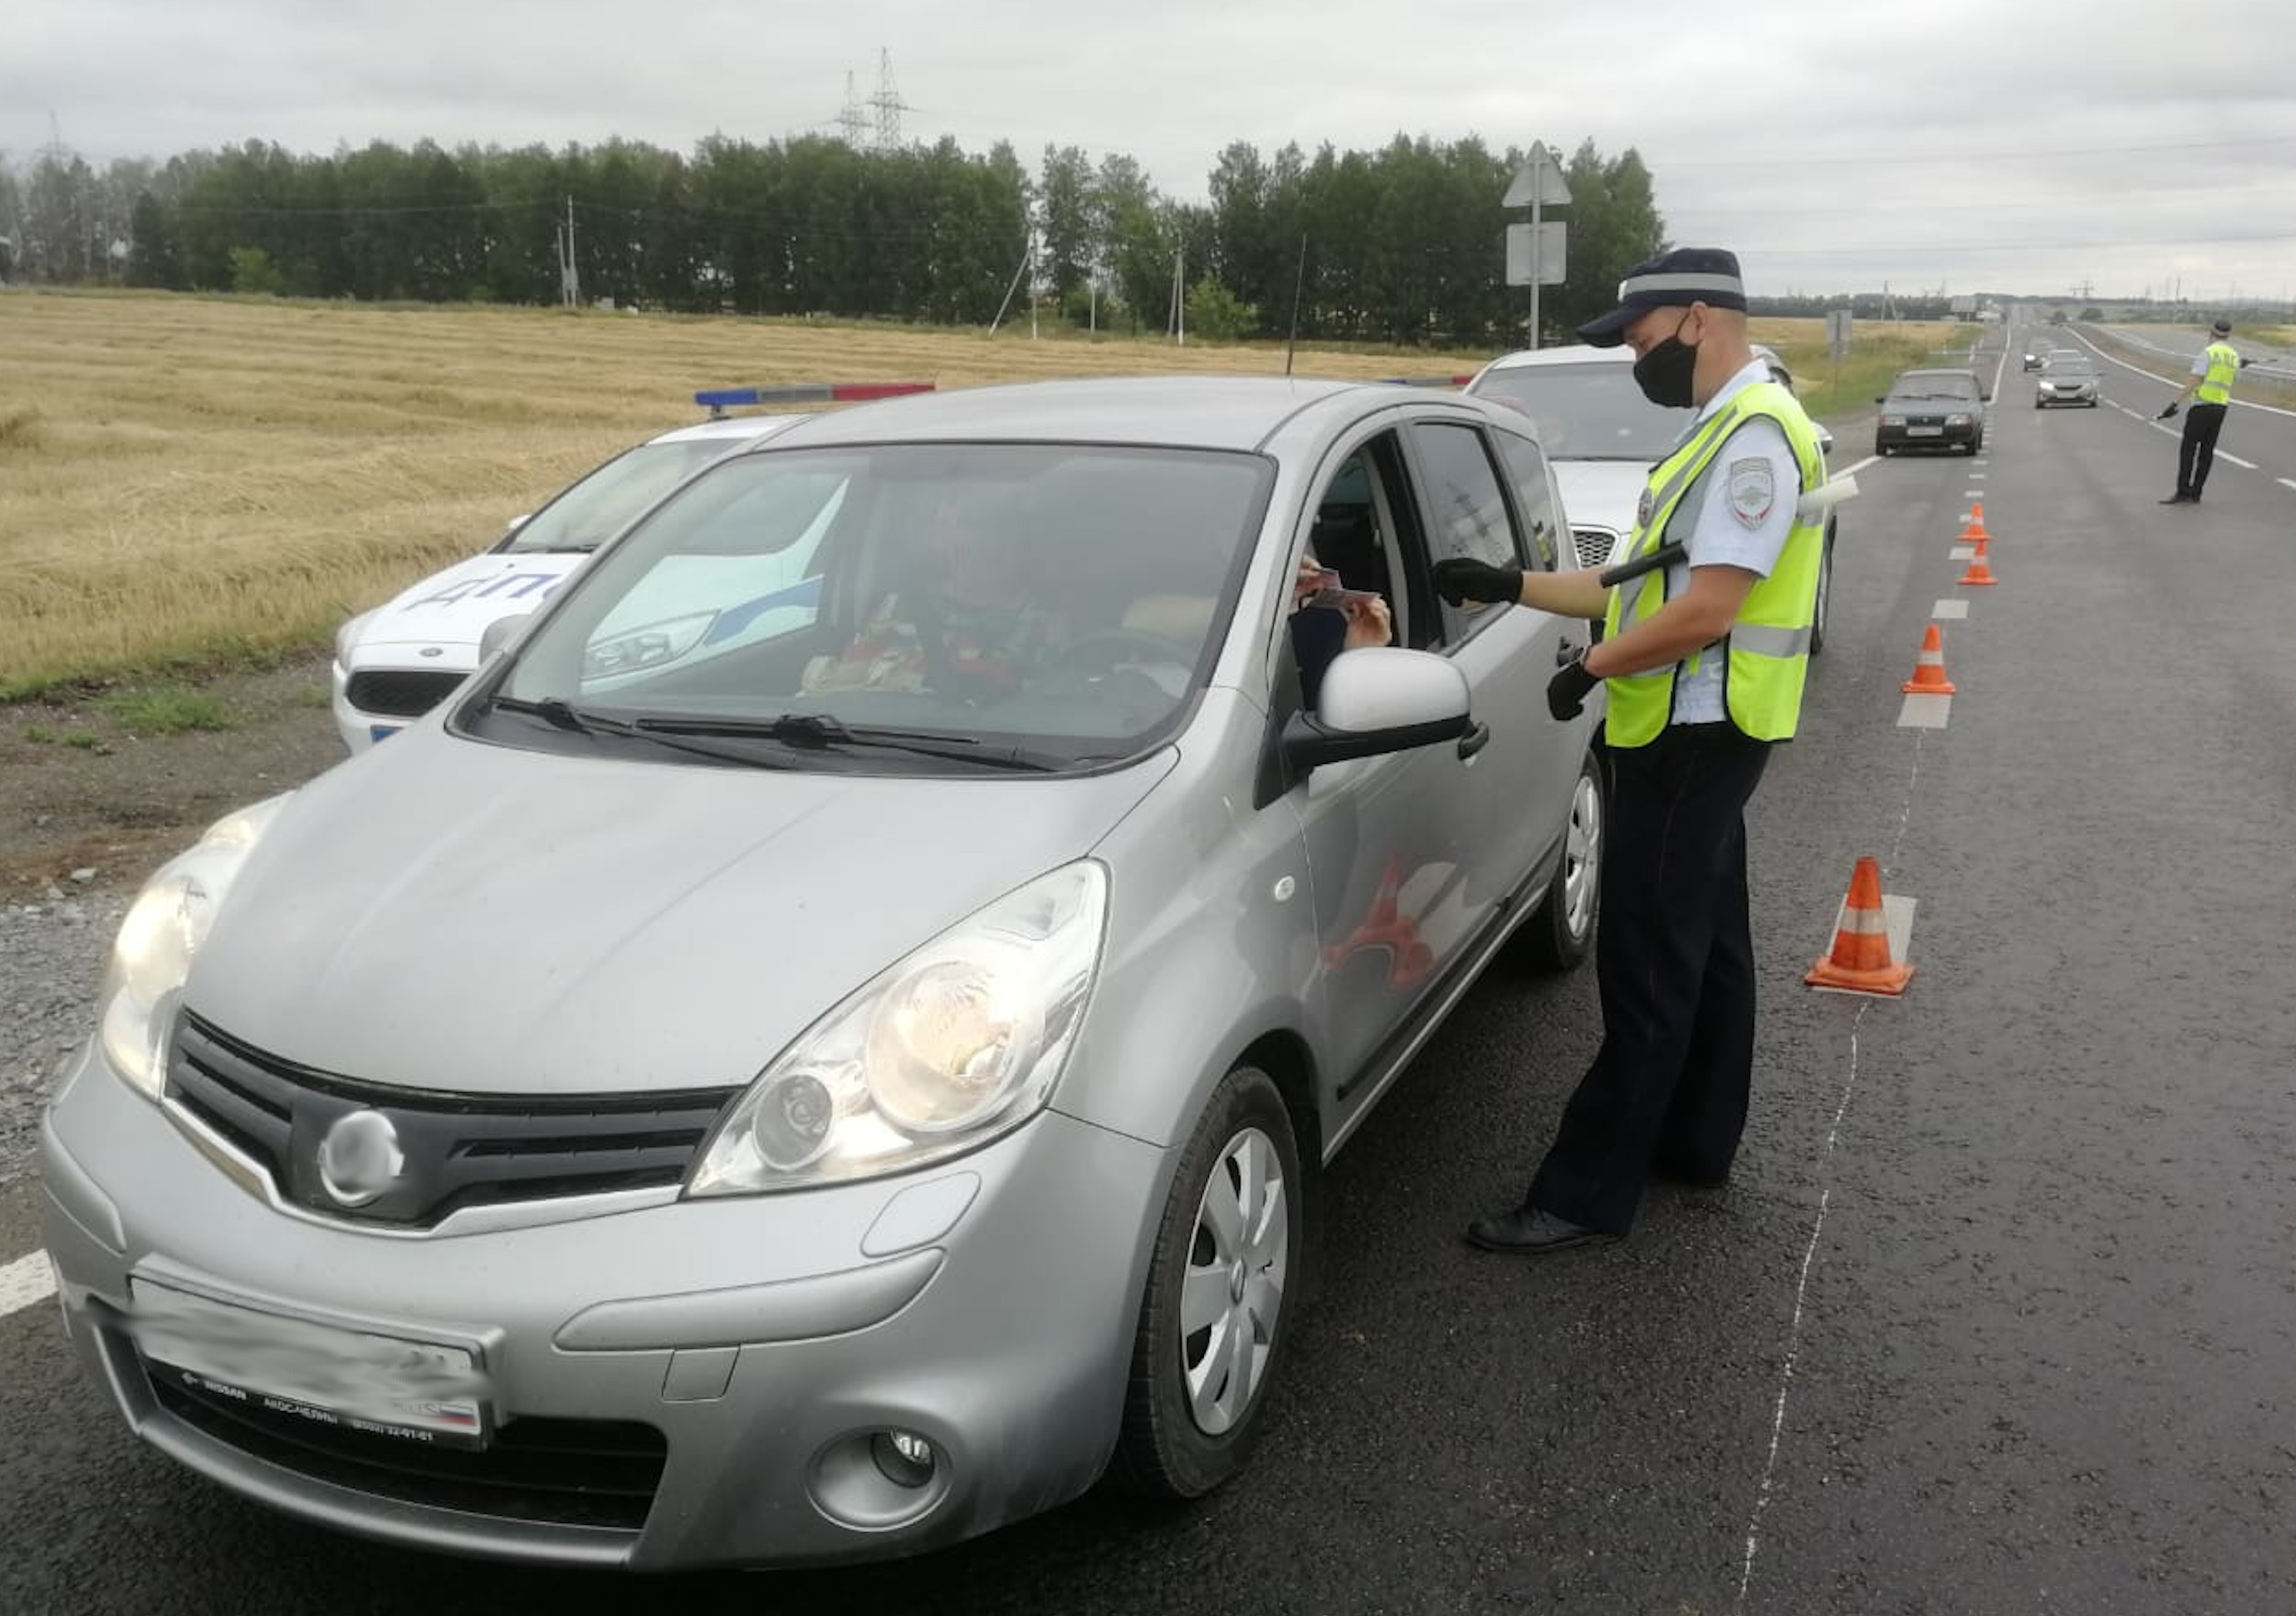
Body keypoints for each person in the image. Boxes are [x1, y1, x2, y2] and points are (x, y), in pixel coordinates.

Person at [1431, 247, 1829, 1254]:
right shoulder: (1721, 427)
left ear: (1699, 318)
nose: (1637, 360)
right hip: (1697, 728)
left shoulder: (1752, 439)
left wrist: (1591, 669)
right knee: (1710, 950)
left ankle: (1582, 1194)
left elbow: (1706, 610)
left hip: (1698, 727)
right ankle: (1696, 1141)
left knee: (1649, 961)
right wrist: (1507, 582)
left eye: (1643, 339)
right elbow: (1637, 581)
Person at [802, 495, 1061, 699]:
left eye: (964, 523)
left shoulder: (1042, 621)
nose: (950, 536)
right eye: (941, 524)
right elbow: (846, 673)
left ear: (1006, 539)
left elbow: (1028, 701)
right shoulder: (902, 603)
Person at [2156, 318, 2253, 505]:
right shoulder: (2233, 356)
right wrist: (2242, 365)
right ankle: (2197, 493)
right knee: (2207, 452)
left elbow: (2194, 381)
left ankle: (2183, 491)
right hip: (2221, 408)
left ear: (2211, 333)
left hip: (2202, 406)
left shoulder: (2208, 353)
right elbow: (2232, 377)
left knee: (2188, 450)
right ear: (2229, 335)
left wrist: (2174, 403)